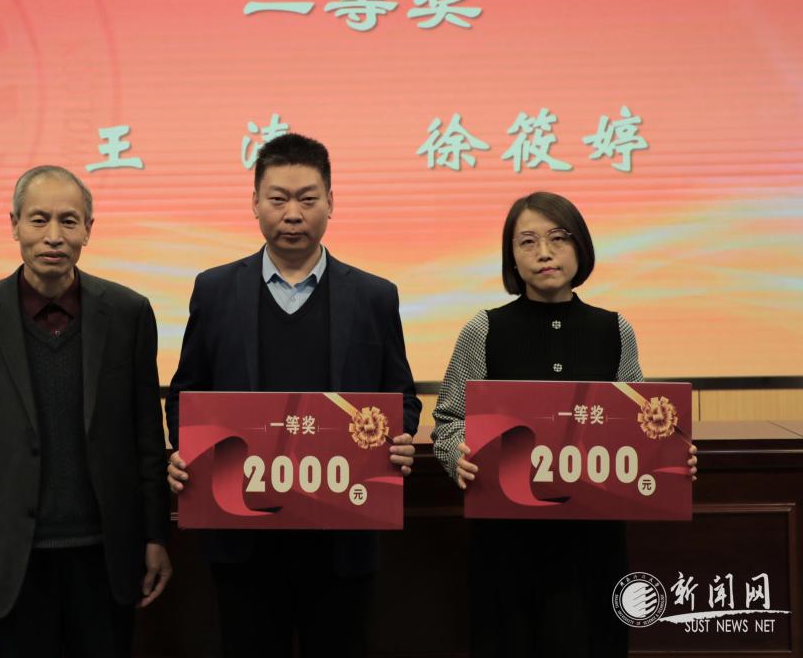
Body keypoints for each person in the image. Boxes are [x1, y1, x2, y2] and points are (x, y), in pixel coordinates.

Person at [164, 133, 421, 658]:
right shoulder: (214, 290)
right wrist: (185, 450)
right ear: (255, 203)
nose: (293, 214)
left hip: (342, 533)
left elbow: (401, 395)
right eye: (278, 199)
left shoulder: (373, 295)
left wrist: (400, 437)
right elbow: (187, 391)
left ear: (331, 202)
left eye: (308, 198)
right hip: (242, 534)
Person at [432, 191, 697, 658]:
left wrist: (671, 455)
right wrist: (457, 455)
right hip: (506, 540)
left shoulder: (614, 329)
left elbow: (638, 425)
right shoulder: (484, 329)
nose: (544, 253)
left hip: (592, 541)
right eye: (527, 242)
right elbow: (449, 420)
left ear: (581, 247)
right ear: (511, 256)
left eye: (558, 238)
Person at [0, 165, 172, 657]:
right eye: (38, 219)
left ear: (88, 229)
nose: (54, 236)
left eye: (69, 221)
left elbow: (147, 438)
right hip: (11, 559)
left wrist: (156, 536)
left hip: (106, 555)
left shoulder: (128, 313)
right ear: (14, 225)